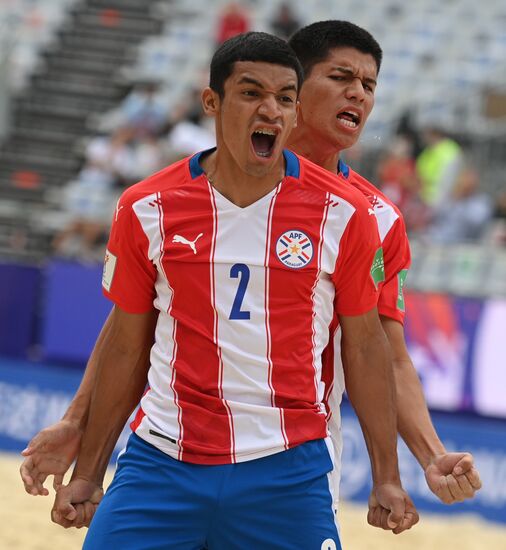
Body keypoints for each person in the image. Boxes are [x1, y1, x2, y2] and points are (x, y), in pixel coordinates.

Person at [22, 32, 416, 548]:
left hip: (288, 470)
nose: (270, 110)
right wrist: (90, 471)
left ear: (296, 112)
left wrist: (388, 475)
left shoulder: (348, 216)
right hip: (162, 459)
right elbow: (126, 342)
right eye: (251, 93)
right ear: (212, 101)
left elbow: (367, 347)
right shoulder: (147, 207)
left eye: (285, 98)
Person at [286, 20, 482, 521]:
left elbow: (388, 357)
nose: (358, 93)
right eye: (341, 77)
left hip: (297, 461)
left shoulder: (378, 218)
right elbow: (134, 330)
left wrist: (431, 455)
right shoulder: (209, 186)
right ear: (292, 85)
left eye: (369, 85)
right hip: (177, 452)